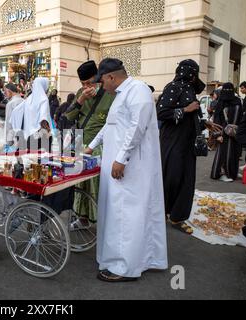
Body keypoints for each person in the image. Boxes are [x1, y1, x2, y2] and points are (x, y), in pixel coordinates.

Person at [85, 58, 168, 282]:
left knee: (126, 215)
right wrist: (90, 147)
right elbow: (109, 125)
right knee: (117, 213)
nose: (102, 86)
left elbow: (136, 128)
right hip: (115, 164)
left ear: (111, 77)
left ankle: (125, 267)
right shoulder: (120, 95)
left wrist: (121, 159)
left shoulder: (137, 90)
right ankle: (121, 258)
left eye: (102, 81)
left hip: (130, 166)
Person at [157, 59, 221, 234]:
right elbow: (161, 113)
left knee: (186, 181)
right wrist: (185, 109)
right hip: (172, 142)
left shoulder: (191, 89)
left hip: (188, 143)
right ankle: (161, 212)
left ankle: (177, 217)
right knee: (171, 178)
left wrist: (204, 123)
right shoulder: (173, 87)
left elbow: (193, 115)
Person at [64, 60, 115, 225]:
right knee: (80, 184)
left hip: (99, 145)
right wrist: (80, 100)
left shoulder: (110, 93)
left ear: (98, 78)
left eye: (89, 82)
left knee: (97, 185)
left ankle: (102, 220)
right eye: (83, 83)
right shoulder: (81, 92)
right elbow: (67, 117)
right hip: (79, 142)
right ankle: (82, 218)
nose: (87, 86)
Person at [211, 83, 243, 182]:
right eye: (226, 90)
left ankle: (232, 172)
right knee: (223, 153)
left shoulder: (237, 101)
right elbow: (217, 120)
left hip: (235, 133)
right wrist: (218, 135)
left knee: (235, 153)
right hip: (223, 133)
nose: (228, 92)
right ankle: (221, 173)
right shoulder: (221, 102)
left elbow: (241, 117)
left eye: (230, 89)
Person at [11, 77, 53, 152]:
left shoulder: (29, 99)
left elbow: (16, 111)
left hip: (29, 134)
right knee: (43, 159)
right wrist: (49, 132)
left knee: (31, 158)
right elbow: (44, 118)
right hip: (41, 135)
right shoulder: (44, 99)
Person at [4, 83, 24, 148]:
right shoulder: (24, 101)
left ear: (10, 91)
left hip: (14, 135)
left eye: (5, 92)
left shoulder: (10, 104)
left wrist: (9, 139)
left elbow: (9, 123)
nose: (4, 94)